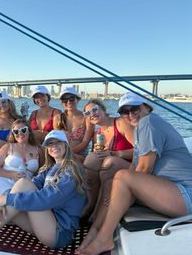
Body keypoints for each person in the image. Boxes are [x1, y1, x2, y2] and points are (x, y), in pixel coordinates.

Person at [76, 92, 192, 255]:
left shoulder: (149, 122)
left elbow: (144, 170)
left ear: (146, 106)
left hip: (185, 194)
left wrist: (119, 188)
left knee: (122, 178)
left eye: (135, 108)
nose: (130, 114)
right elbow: (135, 166)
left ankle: (104, 238)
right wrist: (115, 189)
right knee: (112, 182)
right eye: (125, 111)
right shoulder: (140, 128)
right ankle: (94, 231)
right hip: (172, 190)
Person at [81, 99, 134, 217]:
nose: (92, 114)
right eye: (87, 113)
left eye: (94, 109)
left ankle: (99, 210)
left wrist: (116, 154)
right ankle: (90, 204)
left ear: (103, 110)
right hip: (112, 166)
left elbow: (142, 151)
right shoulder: (99, 132)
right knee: (91, 160)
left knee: (110, 162)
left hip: (133, 166)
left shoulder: (121, 123)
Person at [0, 119, 41, 205]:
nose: (20, 133)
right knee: (11, 203)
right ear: (13, 133)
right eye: (16, 131)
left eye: (23, 130)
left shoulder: (38, 150)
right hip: (2, 183)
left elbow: (41, 172)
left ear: (29, 131)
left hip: (23, 187)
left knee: (20, 208)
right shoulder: (8, 147)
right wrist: (11, 175)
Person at [53, 86, 94, 162]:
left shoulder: (87, 118)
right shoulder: (58, 118)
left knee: (68, 159)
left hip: (80, 156)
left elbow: (85, 142)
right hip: (61, 154)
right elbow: (56, 140)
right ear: (62, 103)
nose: (68, 102)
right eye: (65, 100)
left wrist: (67, 153)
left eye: (71, 99)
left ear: (77, 100)